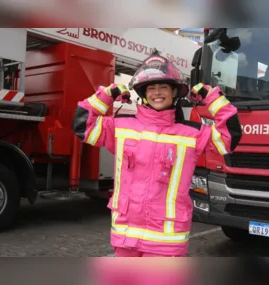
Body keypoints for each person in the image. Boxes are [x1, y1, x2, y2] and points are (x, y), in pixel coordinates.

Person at [72, 51, 242, 257]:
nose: (157, 92)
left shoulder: (192, 134)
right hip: (126, 236)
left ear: (174, 93)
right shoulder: (120, 127)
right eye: (151, 88)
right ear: (143, 94)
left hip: (166, 241)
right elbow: (83, 124)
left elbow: (229, 138)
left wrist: (212, 98)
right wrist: (109, 93)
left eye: (163, 87)